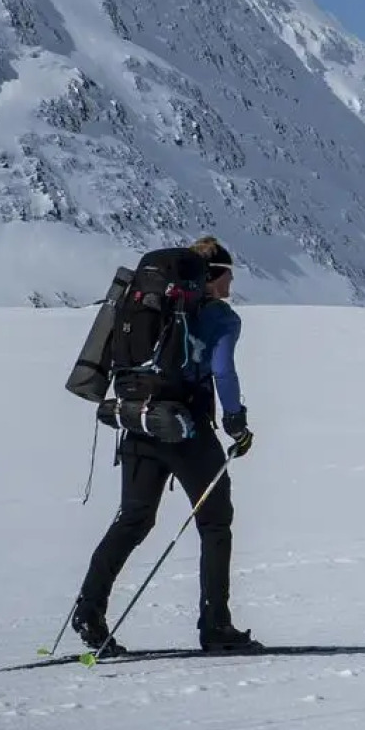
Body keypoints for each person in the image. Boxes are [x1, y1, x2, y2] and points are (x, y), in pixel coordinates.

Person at [71, 237, 259, 654]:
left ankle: (89, 609)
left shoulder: (146, 305)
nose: (232, 280)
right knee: (214, 523)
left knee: (133, 520)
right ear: (213, 276)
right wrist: (236, 423)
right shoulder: (219, 316)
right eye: (229, 272)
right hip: (186, 428)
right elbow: (223, 371)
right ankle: (216, 625)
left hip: (137, 419)